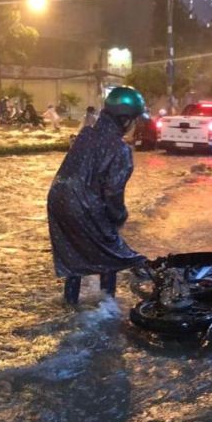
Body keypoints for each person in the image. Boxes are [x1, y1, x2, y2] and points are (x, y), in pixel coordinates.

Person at [47, 86, 147, 305]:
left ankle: (69, 305)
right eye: (135, 121)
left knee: (72, 255)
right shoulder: (120, 150)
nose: (135, 126)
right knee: (111, 256)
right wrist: (119, 216)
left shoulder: (86, 134)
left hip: (58, 200)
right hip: (85, 204)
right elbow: (113, 192)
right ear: (126, 120)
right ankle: (106, 309)